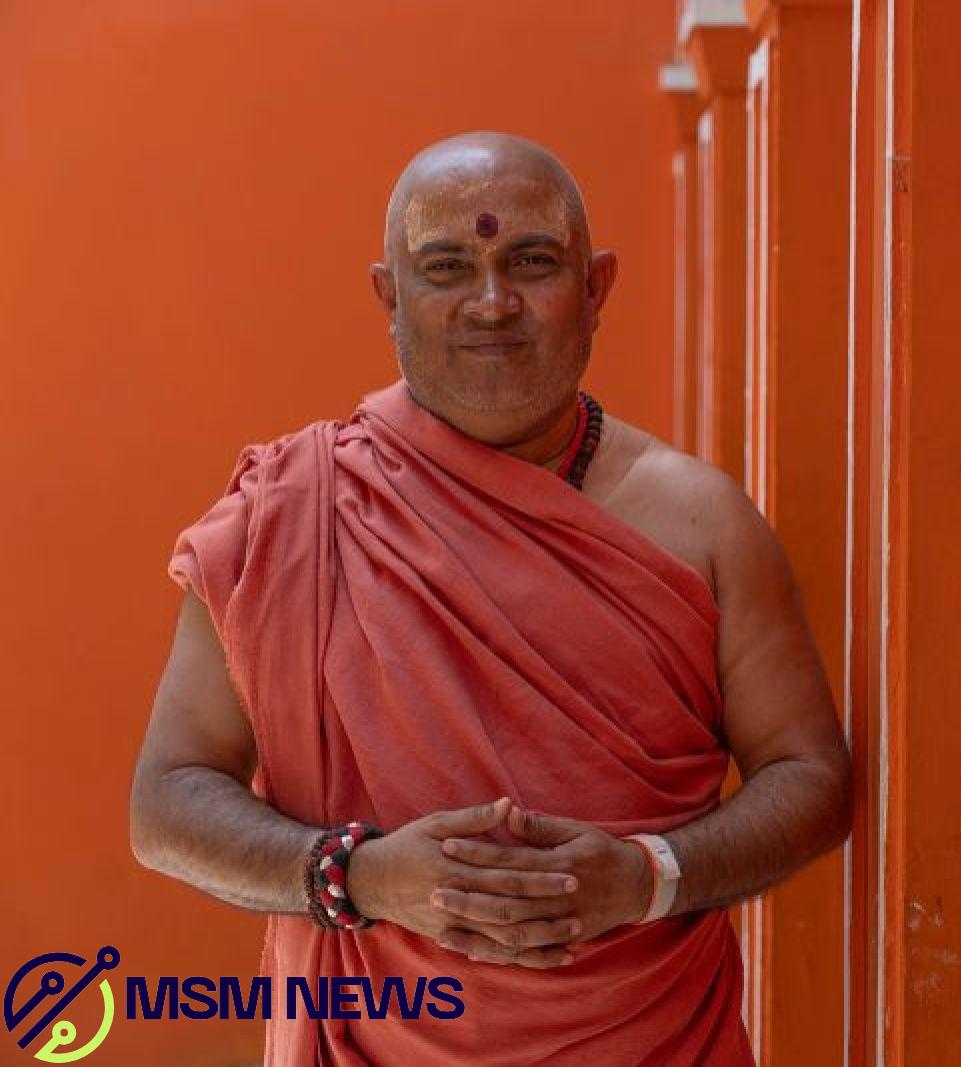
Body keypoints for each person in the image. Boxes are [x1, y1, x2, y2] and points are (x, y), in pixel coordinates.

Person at [129, 131, 853, 1065]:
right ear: (389, 295)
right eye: (446, 266)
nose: (491, 301)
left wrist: (648, 877)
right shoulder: (292, 513)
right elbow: (169, 801)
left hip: (652, 1038)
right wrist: (362, 875)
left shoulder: (702, 524)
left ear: (596, 288)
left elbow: (811, 778)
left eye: (531, 261)